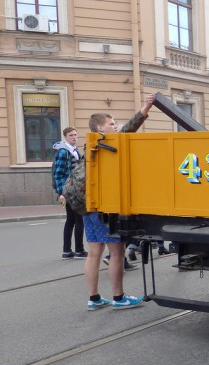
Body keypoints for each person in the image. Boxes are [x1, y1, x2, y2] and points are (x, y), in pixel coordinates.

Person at [83, 94, 155, 311]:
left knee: (94, 252)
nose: (116, 127)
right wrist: (146, 107)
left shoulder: (90, 144)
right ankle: (119, 297)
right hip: (103, 206)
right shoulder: (105, 142)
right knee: (117, 251)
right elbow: (129, 129)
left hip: (87, 204)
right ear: (100, 128)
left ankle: (94, 299)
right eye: (112, 124)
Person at [53, 127, 87, 260]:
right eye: (71, 135)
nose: (74, 137)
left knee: (71, 220)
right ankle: (79, 250)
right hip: (70, 192)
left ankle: (67, 251)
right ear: (65, 137)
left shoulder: (74, 151)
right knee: (78, 220)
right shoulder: (63, 152)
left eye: (75, 135)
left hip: (74, 191)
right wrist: (61, 192)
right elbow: (58, 174)